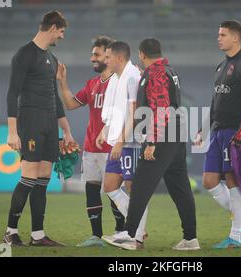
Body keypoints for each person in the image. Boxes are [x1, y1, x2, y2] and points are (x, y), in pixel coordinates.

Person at [103, 38, 199, 250]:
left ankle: (130, 235)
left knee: (140, 185)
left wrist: (152, 141)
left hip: (162, 136)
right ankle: (190, 238)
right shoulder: (167, 70)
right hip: (175, 135)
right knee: (180, 187)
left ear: (141, 54)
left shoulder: (155, 73)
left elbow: (160, 107)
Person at [3, 10, 73, 247]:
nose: (62, 36)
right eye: (61, 31)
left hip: (49, 125)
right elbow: (12, 93)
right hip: (30, 121)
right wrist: (12, 131)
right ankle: (10, 232)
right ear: (53, 28)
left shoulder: (52, 59)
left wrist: (67, 131)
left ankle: (37, 235)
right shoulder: (24, 55)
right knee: (29, 176)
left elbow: (54, 96)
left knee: (43, 178)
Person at [194, 20, 241, 249]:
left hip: (234, 132)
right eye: (218, 34)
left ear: (236, 38)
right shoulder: (221, 66)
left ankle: (235, 235)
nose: (218, 38)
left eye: (223, 34)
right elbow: (215, 102)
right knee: (209, 181)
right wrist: (203, 127)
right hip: (217, 131)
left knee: (233, 181)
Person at [56, 35, 127, 247]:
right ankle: (96, 236)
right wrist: (63, 82)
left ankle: (121, 232)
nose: (92, 58)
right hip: (90, 148)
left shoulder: (119, 83)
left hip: (111, 147)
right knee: (92, 190)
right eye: (92, 54)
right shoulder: (92, 83)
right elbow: (70, 104)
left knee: (114, 190)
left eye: (96, 54)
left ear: (108, 55)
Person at [96, 41, 149, 246]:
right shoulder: (115, 78)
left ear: (119, 58)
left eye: (107, 57)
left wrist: (120, 141)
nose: (104, 60)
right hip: (118, 139)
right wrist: (105, 129)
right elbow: (116, 110)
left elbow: (134, 113)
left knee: (133, 188)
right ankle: (136, 229)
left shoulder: (133, 77)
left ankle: (135, 235)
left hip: (131, 141)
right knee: (110, 186)